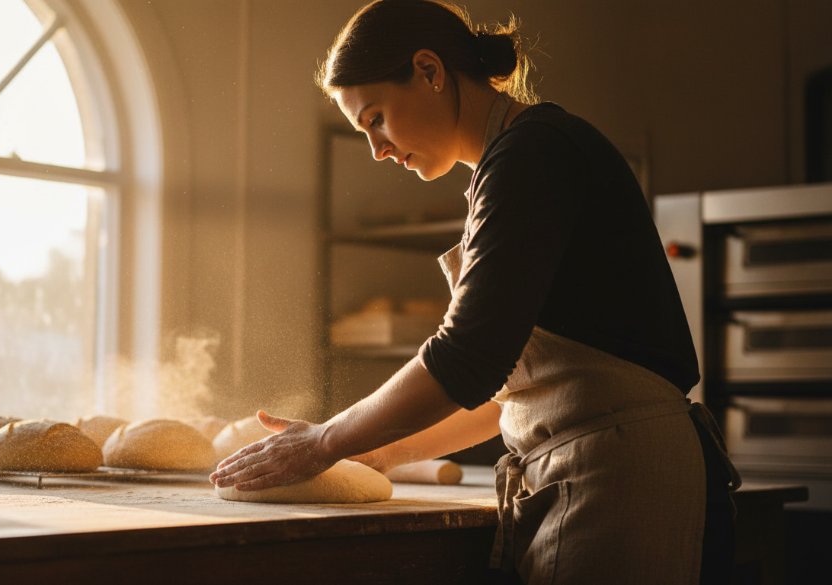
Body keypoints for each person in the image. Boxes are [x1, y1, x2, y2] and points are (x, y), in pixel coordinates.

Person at [210, 1, 740, 583]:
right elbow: (504, 390)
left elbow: (467, 357)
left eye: (377, 118)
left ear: (430, 71)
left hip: (618, 471)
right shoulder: (505, 166)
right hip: (589, 464)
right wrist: (381, 453)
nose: (377, 150)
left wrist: (325, 441)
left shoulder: (532, 154)